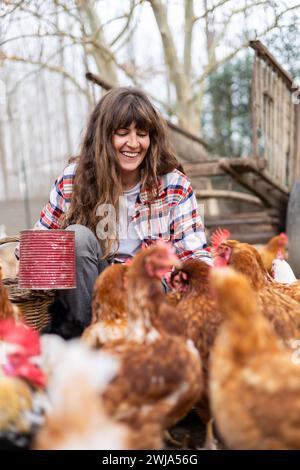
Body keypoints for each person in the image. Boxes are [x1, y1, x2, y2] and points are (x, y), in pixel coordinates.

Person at [33, 87, 211, 338]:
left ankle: (144, 337)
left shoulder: (173, 184)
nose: (133, 143)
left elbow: (194, 252)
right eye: (122, 133)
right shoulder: (74, 178)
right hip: (94, 285)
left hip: (149, 285)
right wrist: (29, 255)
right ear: (104, 137)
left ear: (152, 138)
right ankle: (84, 339)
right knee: (76, 237)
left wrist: (216, 283)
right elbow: (41, 242)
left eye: (142, 134)